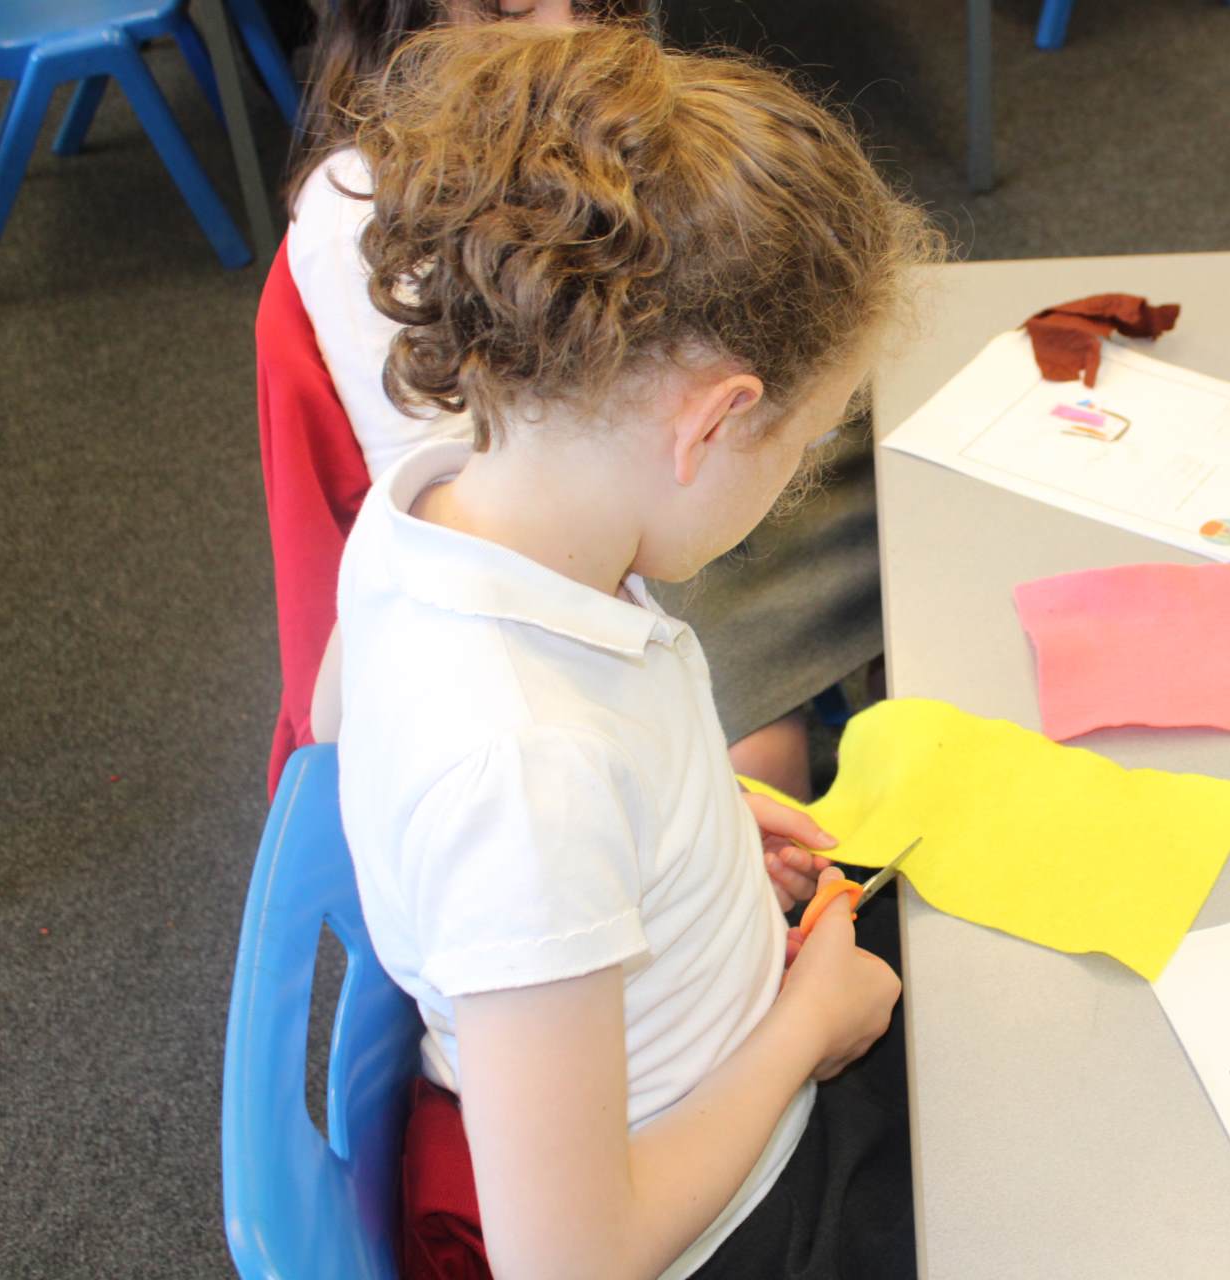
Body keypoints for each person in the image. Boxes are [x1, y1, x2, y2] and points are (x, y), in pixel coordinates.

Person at [333, 21, 941, 1278]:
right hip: (736, 1216)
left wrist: (687, 837)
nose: (795, 482)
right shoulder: (525, 778)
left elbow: (546, 790)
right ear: (710, 426)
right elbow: (572, 1260)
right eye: (804, 446)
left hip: (720, 1037)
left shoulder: (446, 507)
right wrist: (805, 1030)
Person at [283, 0, 872, 800]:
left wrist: (708, 842)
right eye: (517, 9)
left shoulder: (412, 527)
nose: (568, 32)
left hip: (614, 491)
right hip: (607, 514)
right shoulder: (529, 766)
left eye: (588, 3)